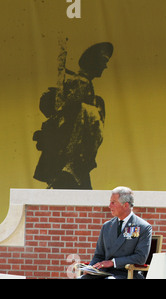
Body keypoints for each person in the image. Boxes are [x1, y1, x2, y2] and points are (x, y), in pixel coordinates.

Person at [33, 42, 113, 189]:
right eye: (103, 61)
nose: (105, 66)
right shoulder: (79, 84)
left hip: (75, 164)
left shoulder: (84, 86)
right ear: (93, 61)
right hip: (68, 162)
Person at [81, 186, 152, 279]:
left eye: (113, 203)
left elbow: (140, 258)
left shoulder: (143, 227)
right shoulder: (107, 226)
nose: (109, 206)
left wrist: (113, 262)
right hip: (104, 272)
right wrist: (91, 268)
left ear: (126, 205)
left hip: (128, 274)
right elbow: (99, 255)